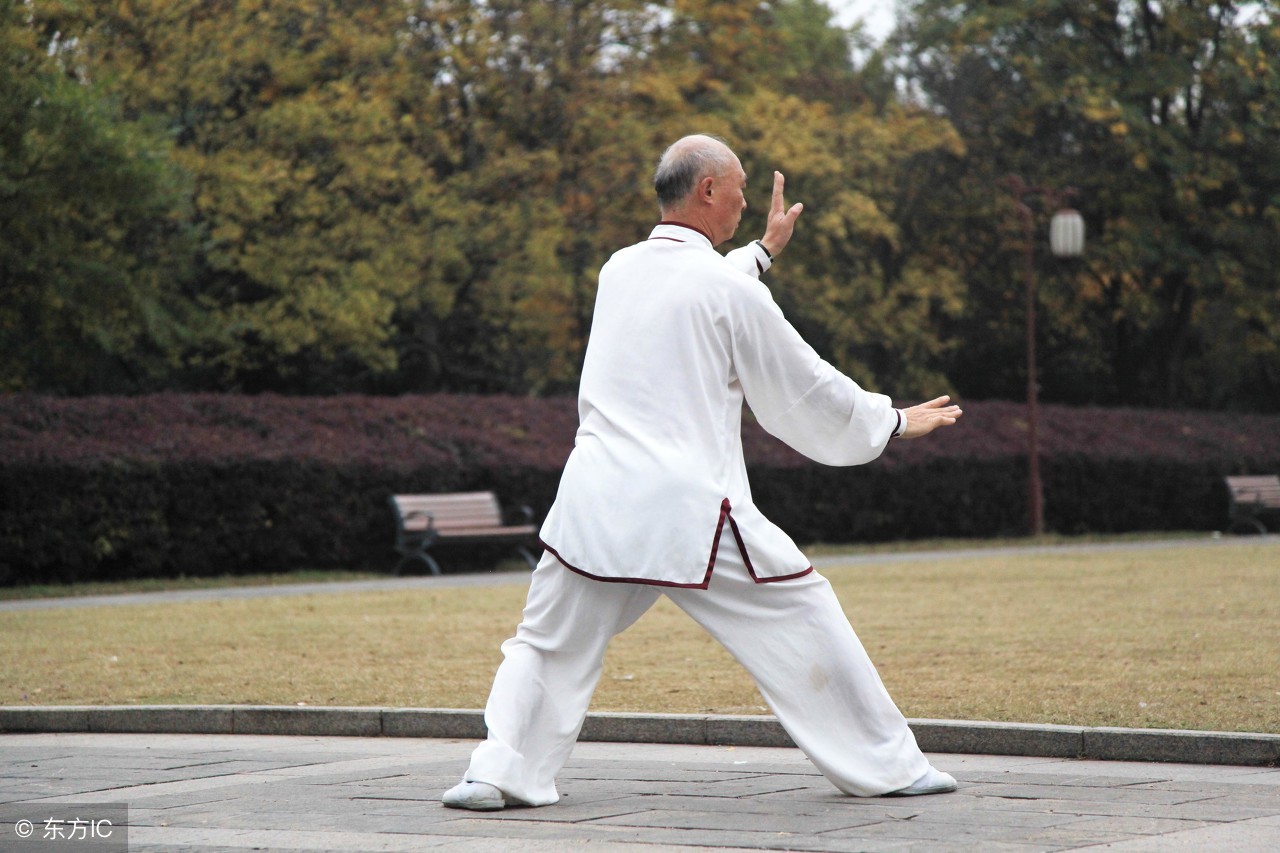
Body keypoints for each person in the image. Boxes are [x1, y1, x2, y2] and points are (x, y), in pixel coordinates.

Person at [442, 134, 963, 811]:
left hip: (593, 503)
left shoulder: (618, 270)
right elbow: (802, 383)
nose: (746, 201)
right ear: (708, 190)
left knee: (545, 643)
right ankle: (887, 766)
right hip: (690, 508)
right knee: (803, 609)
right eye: (740, 188)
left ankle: (495, 773)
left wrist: (762, 252)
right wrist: (889, 420)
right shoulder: (723, 287)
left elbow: (694, 284)